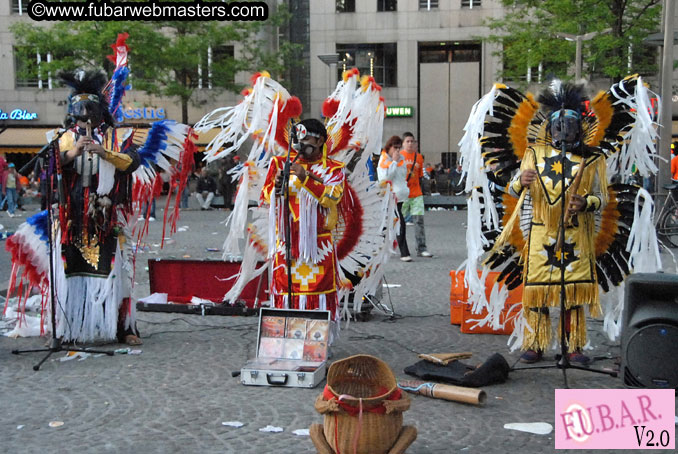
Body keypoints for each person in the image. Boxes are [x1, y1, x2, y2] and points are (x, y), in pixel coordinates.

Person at [506, 82, 606, 365]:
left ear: (579, 127)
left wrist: (585, 203)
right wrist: (520, 182)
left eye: (570, 125)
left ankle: (572, 346)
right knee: (537, 292)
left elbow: (602, 196)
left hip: (576, 235)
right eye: (559, 126)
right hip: (541, 232)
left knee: (571, 293)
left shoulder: (593, 158)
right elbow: (514, 189)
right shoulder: (534, 155)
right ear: (550, 129)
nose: (564, 131)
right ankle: (535, 344)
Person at [55, 70, 143, 345]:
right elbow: (49, 167)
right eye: (80, 116)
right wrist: (72, 153)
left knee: (117, 273)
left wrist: (105, 153)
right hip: (73, 216)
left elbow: (132, 162)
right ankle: (69, 328)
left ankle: (123, 327)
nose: (85, 121)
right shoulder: (64, 137)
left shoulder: (117, 137)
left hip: (104, 213)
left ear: (99, 114)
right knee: (69, 273)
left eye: (89, 115)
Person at [260, 118, 345, 318]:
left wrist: (305, 178)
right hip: (288, 244)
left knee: (319, 294)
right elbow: (265, 195)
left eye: (308, 138)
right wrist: (277, 185)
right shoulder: (280, 163)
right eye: (300, 137)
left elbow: (332, 197)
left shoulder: (334, 168)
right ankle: (286, 338)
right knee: (285, 291)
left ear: (320, 141)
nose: (303, 142)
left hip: (318, 246)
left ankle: (318, 342)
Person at [377, 135, 412, 262]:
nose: (397, 151)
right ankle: (403, 252)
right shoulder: (384, 160)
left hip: (400, 195)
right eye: (395, 148)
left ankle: (382, 248)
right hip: (388, 196)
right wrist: (394, 163)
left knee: (390, 223)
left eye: (399, 148)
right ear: (389, 147)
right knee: (397, 222)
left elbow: (402, 176)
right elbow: (385, 178)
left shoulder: (401, 158)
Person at [400, 132, 432, 257]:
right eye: (407, 141)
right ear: (403, 144)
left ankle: (421, 248)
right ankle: (393, 246)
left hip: (416, 194)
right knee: (397, 222)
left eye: (412, 141)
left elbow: (420, 176)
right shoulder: (399, 156)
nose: (410, 144)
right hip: (402, 195)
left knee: (419, 221)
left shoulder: (419, 157)